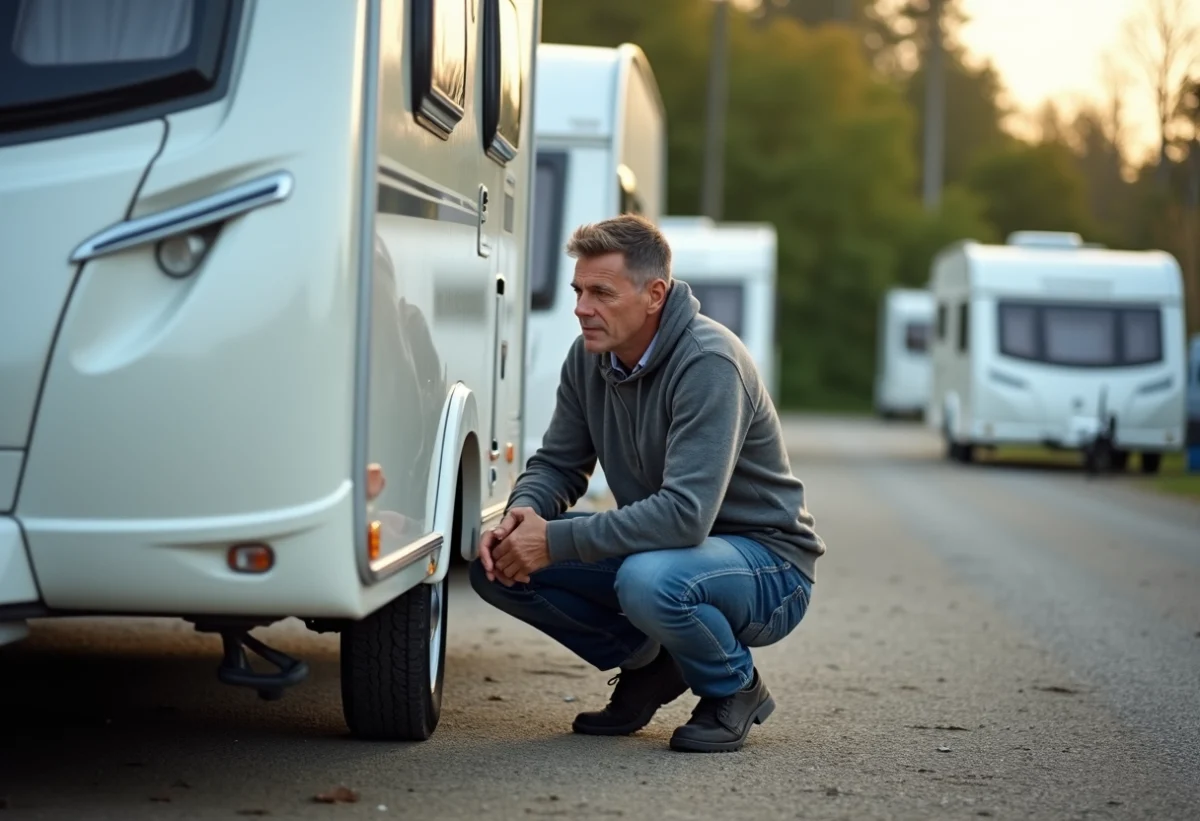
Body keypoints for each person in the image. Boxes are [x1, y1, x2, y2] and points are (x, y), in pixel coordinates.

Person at [469, 214, 825, 753]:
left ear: (654, 294)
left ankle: (734, 685)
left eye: (601, 293)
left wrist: (554, 541)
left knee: (649, 581)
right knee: (496, 564)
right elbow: (559, 463)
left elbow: (685, 515)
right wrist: (522, 515)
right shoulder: (590, 356)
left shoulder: (708, 362)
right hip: (667, 552)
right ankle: (654, 662)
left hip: (769, 568)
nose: (582, 308)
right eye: (579, 291)